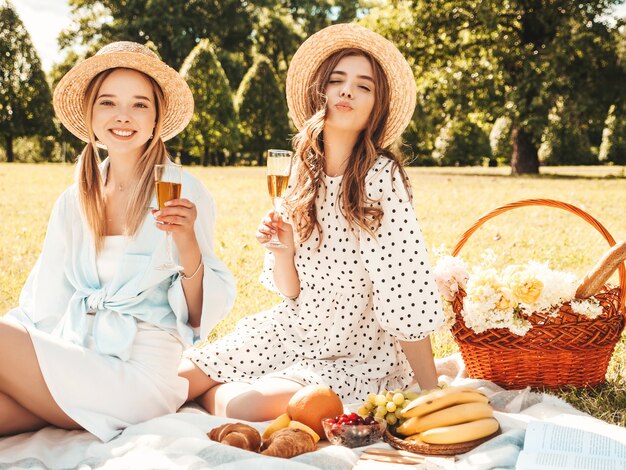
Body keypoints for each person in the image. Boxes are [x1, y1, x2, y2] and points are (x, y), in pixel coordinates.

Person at [179, 23, 444, 421]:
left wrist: (432, 392)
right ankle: (208, 392)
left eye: (363, 86)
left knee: (252, 406)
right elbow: (291, 292)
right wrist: (283, 251)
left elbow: (403, 289)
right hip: (294, 328)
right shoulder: (302, 173)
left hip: (357, 349)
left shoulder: (380, 177)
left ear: (377, 105)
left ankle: (215, 398)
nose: (347, 91)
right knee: (179, 378)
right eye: (337, 80)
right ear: (321, 91)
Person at [0, 42, 235, 441]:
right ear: (91, 113)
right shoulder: (74, 200)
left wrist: (188, 242)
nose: (123, 116)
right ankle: (70, 408)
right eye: (108, 103)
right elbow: (45, 303)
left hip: (140, 373)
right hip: (81, 356)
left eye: (140, 104)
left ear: (157, 116)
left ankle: (81, 405)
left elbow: (198, 319)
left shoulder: (181, 189)